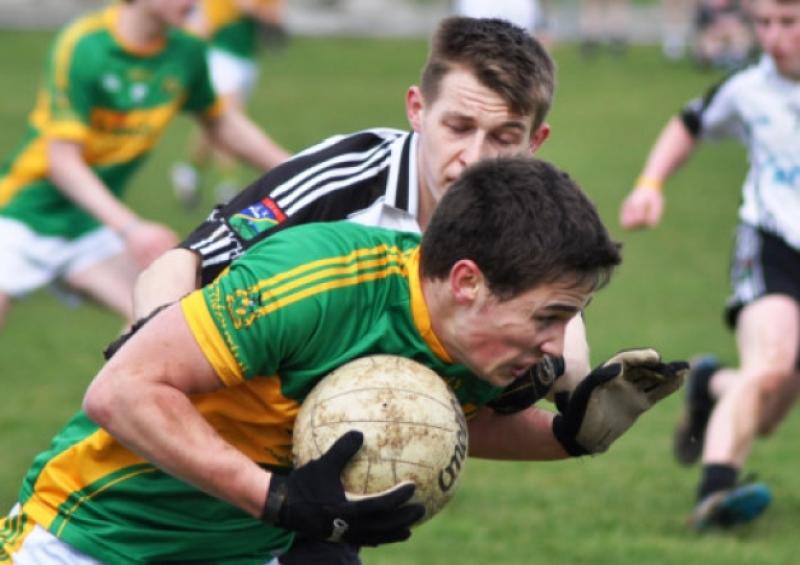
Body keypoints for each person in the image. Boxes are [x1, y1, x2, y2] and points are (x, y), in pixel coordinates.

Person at [0, 155, 687, 564]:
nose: (558, 345)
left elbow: (442, 421)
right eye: (551, 316)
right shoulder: (316, 283)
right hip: (93, 536)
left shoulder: (462, 338)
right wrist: (274, 497)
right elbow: (120, 392)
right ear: (469, 281)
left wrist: (567, 437)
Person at [618, 0, 800, 530]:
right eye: (762, 23)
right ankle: (716, 494)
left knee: (766, 413)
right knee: (770, 366)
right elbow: (688, 123)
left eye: (788, 23)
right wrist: (650, 185)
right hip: (770, 244)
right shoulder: (747, 88)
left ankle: (709, 385)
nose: (772, 37)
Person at [0, 0, 289, 331]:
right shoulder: (85, 44)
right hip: (18, 214)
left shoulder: (187, 51)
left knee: (159, 316)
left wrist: (299, 166)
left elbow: (220, 123)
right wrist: (131, 229)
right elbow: (62, 161)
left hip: (87, 223)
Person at [171, 0, 289, 207]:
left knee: (215, 121)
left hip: (247, 59)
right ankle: (228, 185)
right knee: (230, 117)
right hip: (222, 55)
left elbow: (274, 15)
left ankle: (189, 171)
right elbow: (212, 19)